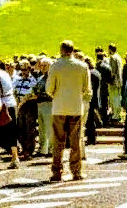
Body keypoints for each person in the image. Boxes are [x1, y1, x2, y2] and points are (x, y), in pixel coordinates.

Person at [45, 40, 91, 181]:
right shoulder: (82, 66)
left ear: (61, 50)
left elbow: (49, 89)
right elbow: (86, 89)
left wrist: (57, 95)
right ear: (73, 50)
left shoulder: (55, 66)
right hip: (76, 106)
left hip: (59, 107)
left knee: (58, 141)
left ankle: (57, 171)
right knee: (76, 141)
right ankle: (76, 171)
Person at [0, 57, 21, 169]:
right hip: (11, 103)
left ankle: (11, 158)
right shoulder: (4, 73)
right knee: (11, 131)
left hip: (1, 105)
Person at [33, 58, 53, 156]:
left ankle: (50, 149)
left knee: (49, 127)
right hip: (40, 104)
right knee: (41, 128)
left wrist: (40, 95)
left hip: (49, 104)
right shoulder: (40, 78)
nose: (42, 67)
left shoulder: (52, 78)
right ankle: (42, 148)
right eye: (41, 65)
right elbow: (36, 89)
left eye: (45, 65)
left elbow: (52, 93)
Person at [107, 44, 123, 124]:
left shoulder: (112, 58)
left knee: (114, 98)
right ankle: (117, 114)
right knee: (117, 97)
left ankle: (115, 114)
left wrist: (109, 80)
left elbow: (112, 71)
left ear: (110, 50)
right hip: (119, 80)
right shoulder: (119, 57)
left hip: (114, 81)